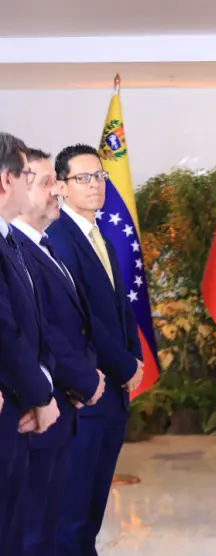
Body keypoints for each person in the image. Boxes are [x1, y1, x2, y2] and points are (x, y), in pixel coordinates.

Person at [46, 144, 143, 556]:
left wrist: (136, 357)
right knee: (72, 511)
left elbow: (121, 308)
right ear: (60, 187)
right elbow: (80, 318)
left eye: (99, 176)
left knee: (92, 508)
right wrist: (124, 365)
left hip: (113, 393)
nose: (94, 185)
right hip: (88, 391)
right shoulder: (60, 238)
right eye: (82, 178)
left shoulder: (99, 235)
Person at [12, 148, 106, 556]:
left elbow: (80, 323)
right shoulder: (16, 250)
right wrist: (80, 380)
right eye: (46, 183)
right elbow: (36, 330)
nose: (57, 191)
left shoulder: (45, 245)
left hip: (62, 403)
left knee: (53, 526)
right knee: (33, 532)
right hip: (37, 409)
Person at [0, 134, 59, 556]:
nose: (32, 183)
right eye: (26, 174)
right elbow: (6, 331)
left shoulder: (9, 242)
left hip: (19, 405)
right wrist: (41, 395)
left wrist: (42, 391)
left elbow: (33, 325)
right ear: (6, 180)